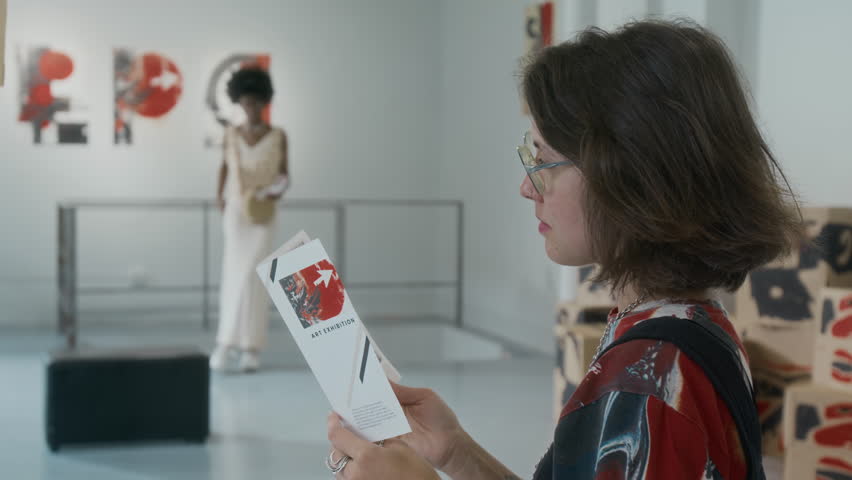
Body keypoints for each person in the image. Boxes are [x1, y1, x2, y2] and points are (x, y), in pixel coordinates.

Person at [325, 20, 804, 479]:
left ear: (632, 176)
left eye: (544, 160)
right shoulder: (686, 325)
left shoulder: (651, 383)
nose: (528, 187)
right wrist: (459, 454)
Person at [210, 67, 289, 373]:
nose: (251, 107)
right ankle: (225, 343)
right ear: (238, 102)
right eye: (246, 101)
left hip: (263, 212)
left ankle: (250, 347)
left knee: (255, 275)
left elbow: (284, 175)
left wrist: (273, 193)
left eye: (256, 101)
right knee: (232, 272)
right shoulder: (231, 135)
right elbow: (223, 167)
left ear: (264, 101)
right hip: (235, 210)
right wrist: (219, 196)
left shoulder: (278, 136)